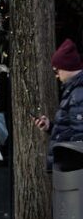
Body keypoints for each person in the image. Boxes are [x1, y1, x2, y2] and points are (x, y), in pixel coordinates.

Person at [35, 38, 83, 167]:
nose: (56, 75)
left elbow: (79, 136)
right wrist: (50, 127)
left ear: (66, 67)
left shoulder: (78, 93)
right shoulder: (74, 91)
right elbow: (72, 129)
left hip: (73, 169)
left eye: (56, 70)